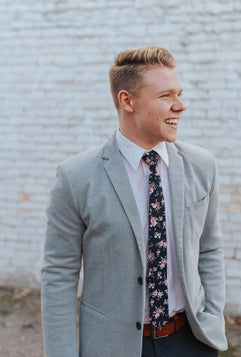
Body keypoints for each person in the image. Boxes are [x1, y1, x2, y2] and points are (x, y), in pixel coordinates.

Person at [41, 46, 227, 357]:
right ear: (127, 101)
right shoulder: (76, 177)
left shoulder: (202, 165)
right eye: (166, 96)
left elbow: (209, 248)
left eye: (179, 94)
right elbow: (59, 273)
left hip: (191, 340)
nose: (180, 106)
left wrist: (212, 316)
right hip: (112, 346)